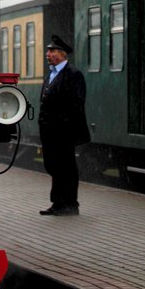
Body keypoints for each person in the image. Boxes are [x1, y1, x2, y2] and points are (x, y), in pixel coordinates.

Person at [38, 33, 90, 216]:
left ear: (61, 54)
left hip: (64, 132)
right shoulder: (51, 74)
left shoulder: (73, 74)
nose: (47, 54)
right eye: (48, 51)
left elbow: (76, 103)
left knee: (66, 167)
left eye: (51, 51)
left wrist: (63, 124)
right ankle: (57, 203)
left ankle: (70, 204)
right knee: (54, 166)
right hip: (50, 131)